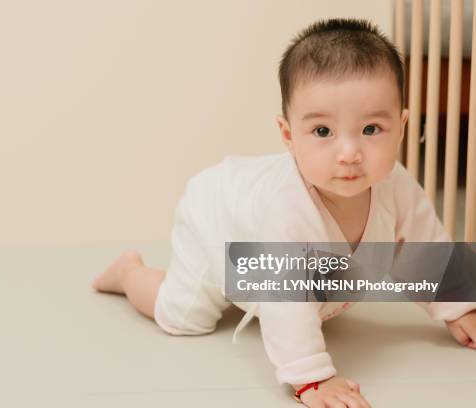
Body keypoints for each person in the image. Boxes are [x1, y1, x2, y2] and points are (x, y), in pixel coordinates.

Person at [91, 18, 476, 408]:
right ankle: (129, 272)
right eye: (323, 132)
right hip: (218, 220)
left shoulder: (395, 183)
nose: (349, 153)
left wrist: (458, 308)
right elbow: (284, 298)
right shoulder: (282, 208)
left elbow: (427, 245)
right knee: (185, 316)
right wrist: (312, 378)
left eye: (371, 128)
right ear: (289, 135)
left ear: (402, 126)